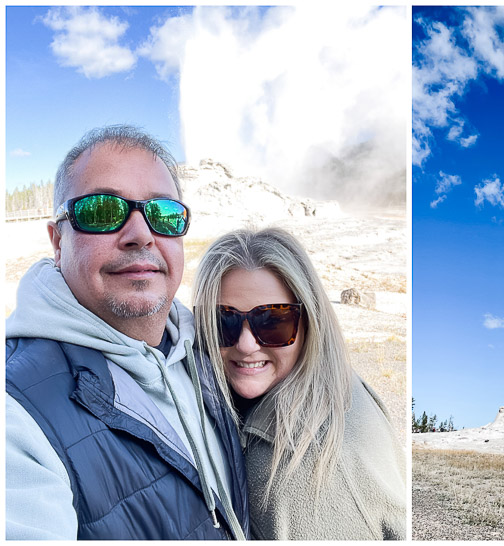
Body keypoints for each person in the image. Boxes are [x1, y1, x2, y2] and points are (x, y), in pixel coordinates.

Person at [6, 125, 249, 540]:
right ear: (57, 240)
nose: (140, 235)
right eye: (102, 210)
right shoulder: (16, 412)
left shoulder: (207, 348)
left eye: (164, 214)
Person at [193, 227, 406, 540]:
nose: (246, 344)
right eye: (223, 320)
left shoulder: (299, 466)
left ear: (311, 323)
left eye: (274, 321)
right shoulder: (335, 383)